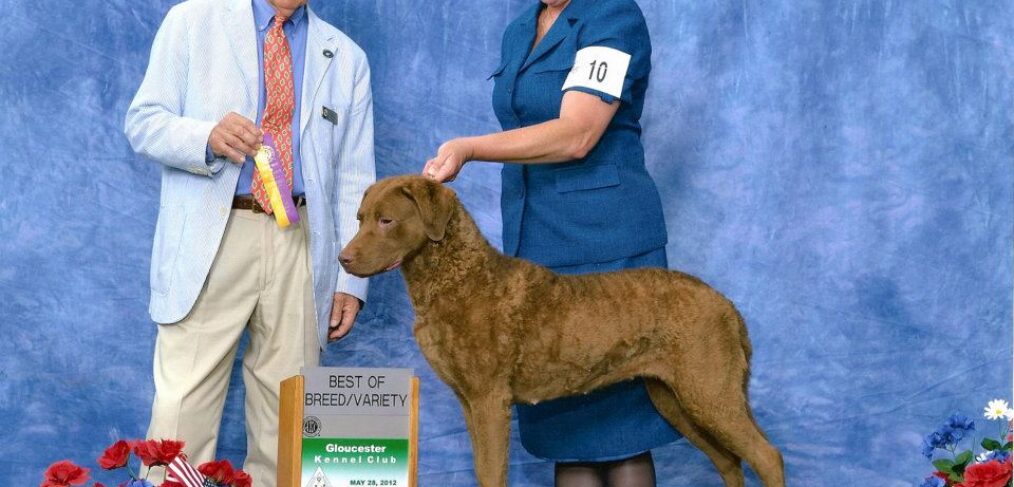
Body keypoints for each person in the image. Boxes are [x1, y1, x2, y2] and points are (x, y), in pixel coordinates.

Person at [422, 0, 679, 485]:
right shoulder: (520, 30)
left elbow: (578, 134)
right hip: (536, 247)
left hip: (609, 247)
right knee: (566, 427)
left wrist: (469, 148)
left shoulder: (612, 17)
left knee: (619, 425)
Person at [124, 0, 375, 483]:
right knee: (183, 408)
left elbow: (354, 179)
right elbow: (144, 121)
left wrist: (352, 277)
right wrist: (206, 136)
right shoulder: (192, 20)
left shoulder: (346, 56)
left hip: (302, 242)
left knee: (290, 414)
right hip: (212, 238)